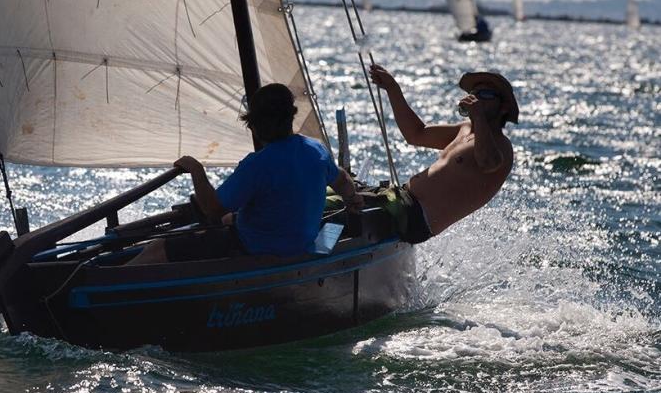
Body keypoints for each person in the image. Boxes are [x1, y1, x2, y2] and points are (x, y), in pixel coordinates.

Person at [127, 83, 363, 265]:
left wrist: (196, 170)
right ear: (291, 117)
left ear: (255, 125)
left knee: (158, 249)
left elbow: (212, 209)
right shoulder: (317, 151)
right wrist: (353, 200)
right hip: (301, 245)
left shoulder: (256, 165)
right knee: (231, 219)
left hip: (256, 248)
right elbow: (342, 181)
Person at [366, 64, 517, 243]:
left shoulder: (502, 146)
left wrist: (478, 117)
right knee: (336, 192)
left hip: (414, 219)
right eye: (474, 94)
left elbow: (487, 162)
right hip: (400, 199)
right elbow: (416, 134)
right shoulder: (464, 130)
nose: (476, 99)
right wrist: (392, 88)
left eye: (485, 94)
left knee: (342, 207)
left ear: (504, 107)